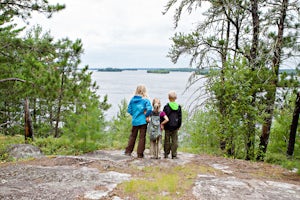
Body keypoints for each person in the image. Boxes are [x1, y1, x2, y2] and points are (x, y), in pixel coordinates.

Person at [125, 84, 152, 158]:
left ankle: (128, 151)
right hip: (143, 121)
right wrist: (146, 115)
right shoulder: (146, 100)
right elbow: (150, 109)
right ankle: (140, 154)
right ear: (144, 91)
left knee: (133, 136)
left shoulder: (132, 100)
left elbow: (129, 110)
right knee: (142, 137)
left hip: (135, 120)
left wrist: (134, 114)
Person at [163, 90, 182, 159]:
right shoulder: (178, 107)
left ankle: (166, 153)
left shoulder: (166, 107)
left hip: (167, 126)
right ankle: (174, 154)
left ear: (168, 98)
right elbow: (180, 117)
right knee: (175, 140)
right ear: (176, 98)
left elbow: (163, 116)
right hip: (175, 126)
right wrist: (179, 125)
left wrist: (162, 124)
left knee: (167, 140)